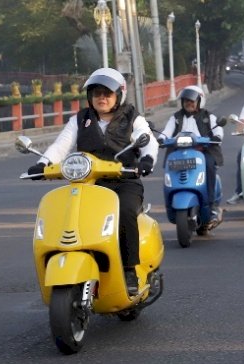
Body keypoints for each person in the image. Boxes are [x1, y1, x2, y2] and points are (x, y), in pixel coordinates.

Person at [26, 67, 158, 295]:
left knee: (126, 211)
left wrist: (146, 160)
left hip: (123, 181)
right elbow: (61, 145)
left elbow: (149, 142)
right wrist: (44, 163)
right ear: (90, 97)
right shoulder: (80, 120)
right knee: (68, 214)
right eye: (96, 93)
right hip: (87, 183)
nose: (102, 98)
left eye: (107, 93)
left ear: (119, 95)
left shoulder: (132, 118)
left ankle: (128, 270)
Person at [158, 85, 224, 227]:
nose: (189, 103)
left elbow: (218, 129)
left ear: (200, 101)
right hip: (179, 152)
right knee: (170, 172)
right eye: (186, 100)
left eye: (192, 100)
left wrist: (217, 136)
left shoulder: (208, 116)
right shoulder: (176, 118)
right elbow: (166, 132)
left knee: (209, 167)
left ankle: (211, 206)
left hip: (203, 151)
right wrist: (161, 139)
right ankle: (171, 201)